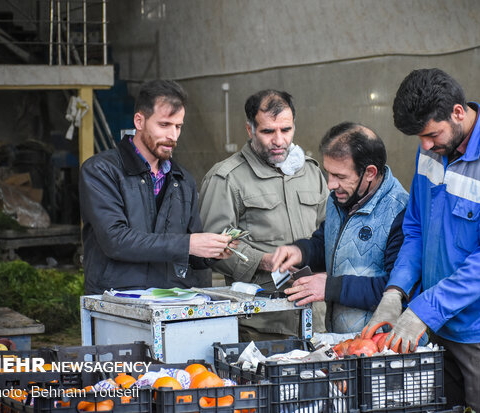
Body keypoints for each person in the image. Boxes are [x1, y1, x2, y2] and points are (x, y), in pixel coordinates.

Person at [361, 68, 480, 412]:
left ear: (458, 112)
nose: (425, 146)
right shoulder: (432, 149)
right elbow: (416, 227)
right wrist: (395, 292)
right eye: (420, 138)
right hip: (437, 322)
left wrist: (424, 310)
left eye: (431, 134)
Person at [80, 79, 236, 295]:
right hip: (118, 300)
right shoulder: (101, 171)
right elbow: (115, 240)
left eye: (178, 126)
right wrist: (188, 244)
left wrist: (209, 252)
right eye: (164, 125)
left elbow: (190, 251)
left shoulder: (183, 180)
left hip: (172, 300)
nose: (172, 136)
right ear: (139, 121)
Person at [199, 89, 329, 339]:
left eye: (286, 130)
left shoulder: (311, 173)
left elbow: (330, 234)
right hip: (261, 323)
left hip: (317, 318)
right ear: (250, 130)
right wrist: (262, 260)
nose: (279, 140)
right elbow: (212, 249)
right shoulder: (227, 178)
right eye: (268, 131)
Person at [270, 122, 409, 334]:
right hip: (342, 342)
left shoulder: (400, 211)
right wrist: (300, 252)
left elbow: (397, 288)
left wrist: (330, 287)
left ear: (370, 172)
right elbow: (325, 243)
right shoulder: (340, 199)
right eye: (329, 173)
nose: (330, 185)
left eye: (340, 177)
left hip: (382, 346)